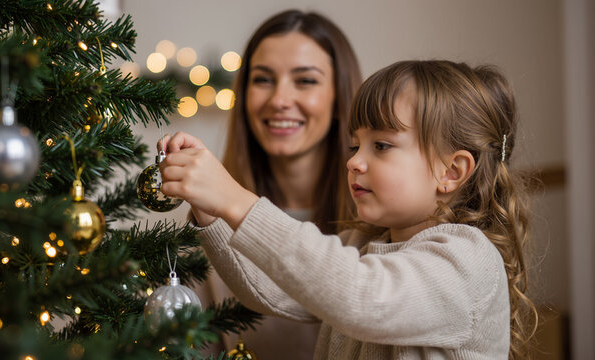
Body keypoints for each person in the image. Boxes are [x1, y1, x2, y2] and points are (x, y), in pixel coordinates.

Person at [160, 60, 538, 359]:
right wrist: (211, 211)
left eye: (382, 146)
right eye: (356, 145)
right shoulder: (365, 243)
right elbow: (274, 286)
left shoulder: (467, 260)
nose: (355, 162)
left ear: (451, 171)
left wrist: (236, 199)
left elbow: (361, 295)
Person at [190, 9, 362, 358]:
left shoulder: (383, 229)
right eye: (263, 79)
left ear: (338, 96)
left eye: (306, 80)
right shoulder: (206, 221)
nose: (280, 100)